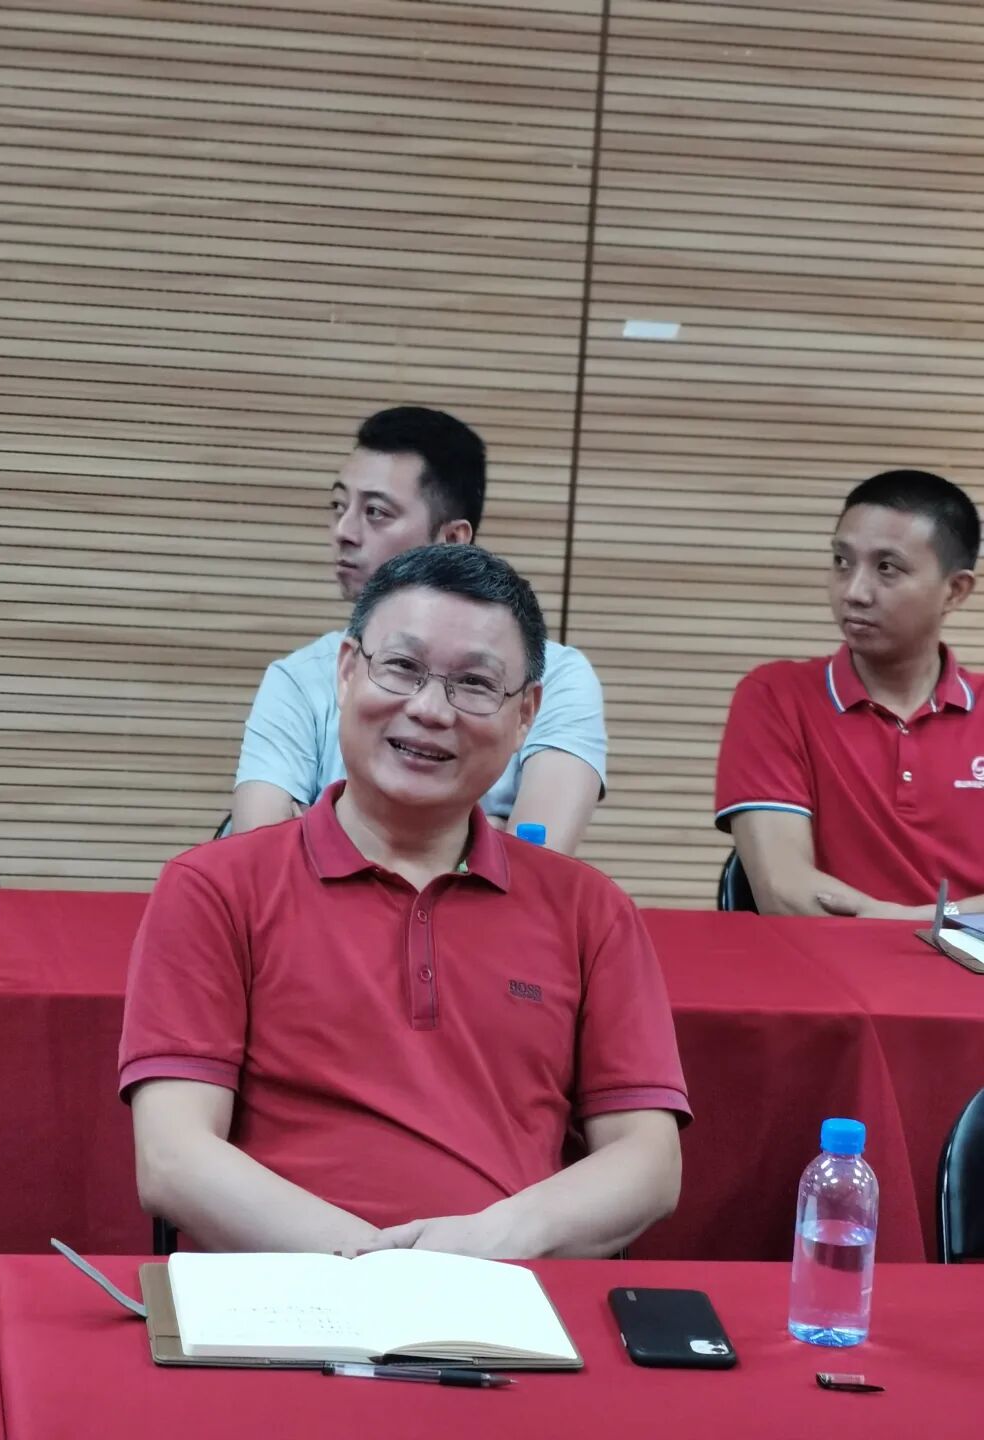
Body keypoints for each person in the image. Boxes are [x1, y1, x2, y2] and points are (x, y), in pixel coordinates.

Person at [120, 544, 689, 1257]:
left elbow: (648, 1161)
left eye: (475, 683)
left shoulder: (589, 910)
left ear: (526, 715)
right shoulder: (214, 887)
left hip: (505, 1289)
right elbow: (173, 1156)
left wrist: (492, 1242)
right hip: (284, 1294)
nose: (428, 709)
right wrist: (377, 1269)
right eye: (402, 667)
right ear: (347, 671)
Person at [231, 405, 606, 854]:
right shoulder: (297, 678)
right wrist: (479, 839)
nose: (344, 531)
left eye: (376, 512)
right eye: (339, 506)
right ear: (348, 670)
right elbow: (262, 862)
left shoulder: (555, 676)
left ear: (452, 540)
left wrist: (328, 834)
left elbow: (537, 866)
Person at [715, 468, 982, 919]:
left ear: (954, 591)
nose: (854, 592)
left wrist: (900, 921)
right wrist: (936, 925)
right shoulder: (775, 696)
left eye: (886, 568)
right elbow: (783, 891)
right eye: (842, 561)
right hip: (824, 960)